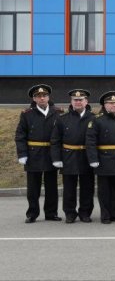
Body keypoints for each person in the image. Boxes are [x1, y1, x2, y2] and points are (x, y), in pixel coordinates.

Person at [15, 84, 61, 223]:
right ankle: (32, 213)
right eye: (38, 96)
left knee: (51, 186)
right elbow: (20, 135)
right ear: (34, 99)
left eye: (44, 96)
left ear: (48, 97)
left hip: (51, 154)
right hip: (33, 154)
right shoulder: (27, 114)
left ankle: (51, 213)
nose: (42, 98)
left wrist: (59, 155)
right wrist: (22, 154)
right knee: (33, 188)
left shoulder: (57, 112)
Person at [85, 91, 115, 224]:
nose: (113, 105)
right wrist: (93, 159)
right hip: (103, 159)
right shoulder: (97, 120)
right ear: (104, 105)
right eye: (110, 103)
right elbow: (90, 141)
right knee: (104, 190)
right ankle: (105, 215)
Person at [50, 89, 95, 224]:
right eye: (75, 100)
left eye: (81, 100)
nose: (78, 102)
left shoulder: (94, 118)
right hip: (69, 156)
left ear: (86, 101)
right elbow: (55, 140)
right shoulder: (62, 118)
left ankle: (85, 213)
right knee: (69, 188)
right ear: (71, 102)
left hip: (87, 156)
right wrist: (56, 158)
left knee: (87, 187)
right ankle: (70, 213)